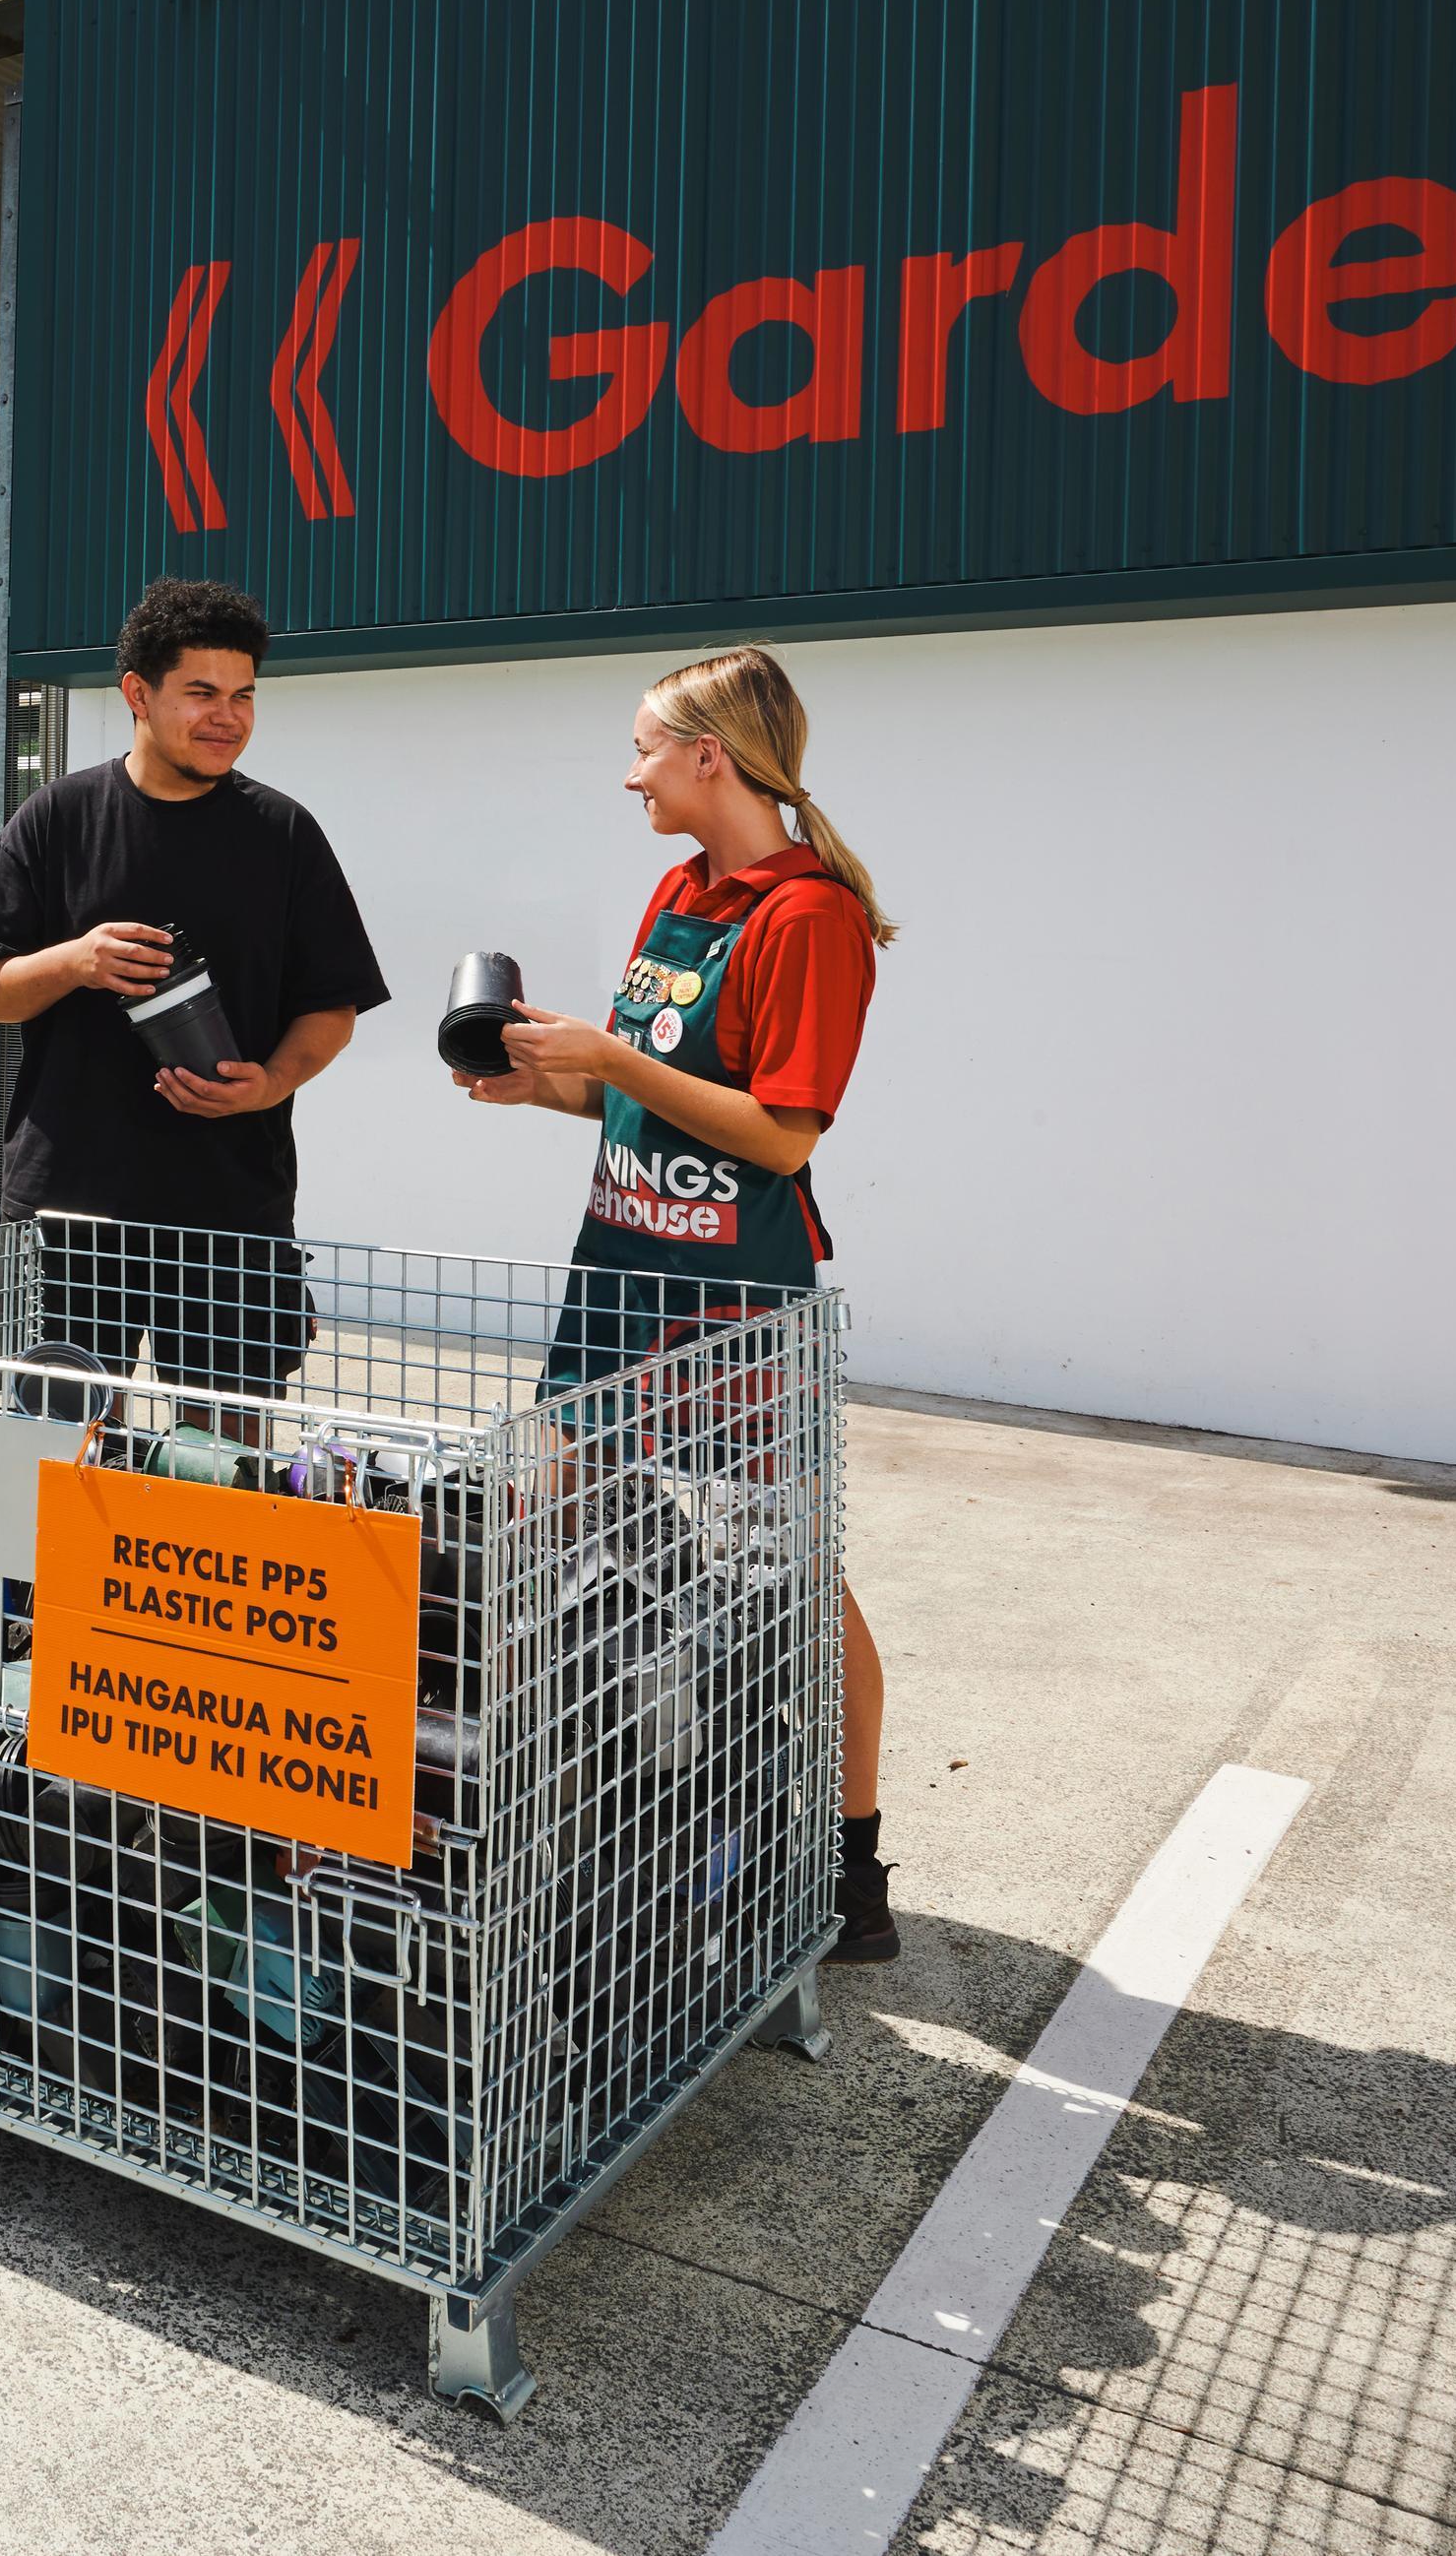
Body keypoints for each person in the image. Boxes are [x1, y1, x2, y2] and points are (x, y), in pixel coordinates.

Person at [452, 645, 903, 1965]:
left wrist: (604, 1058)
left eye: (647, 744)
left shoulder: (806, 915)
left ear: (712, 755)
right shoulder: (679, 888)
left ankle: (848, 1868)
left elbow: (782, 1134)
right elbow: (655, 1084)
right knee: (556, 1533)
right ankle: (605, 1828)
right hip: (618, 1282)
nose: (630, 768)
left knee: (792, 1581)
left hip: (730, 1308)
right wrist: (558, 1081)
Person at [0, 579, 390, 1408]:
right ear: (138, 694)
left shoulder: (283, 835)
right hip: (71, 1202)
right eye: (201, 693)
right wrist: (76, 961)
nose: (227, 716)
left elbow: (332, 1007)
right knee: (65, 1443)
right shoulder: (56, 820)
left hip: (231, 1199)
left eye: (243, 695)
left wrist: (272, 1081)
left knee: (226, 1451)